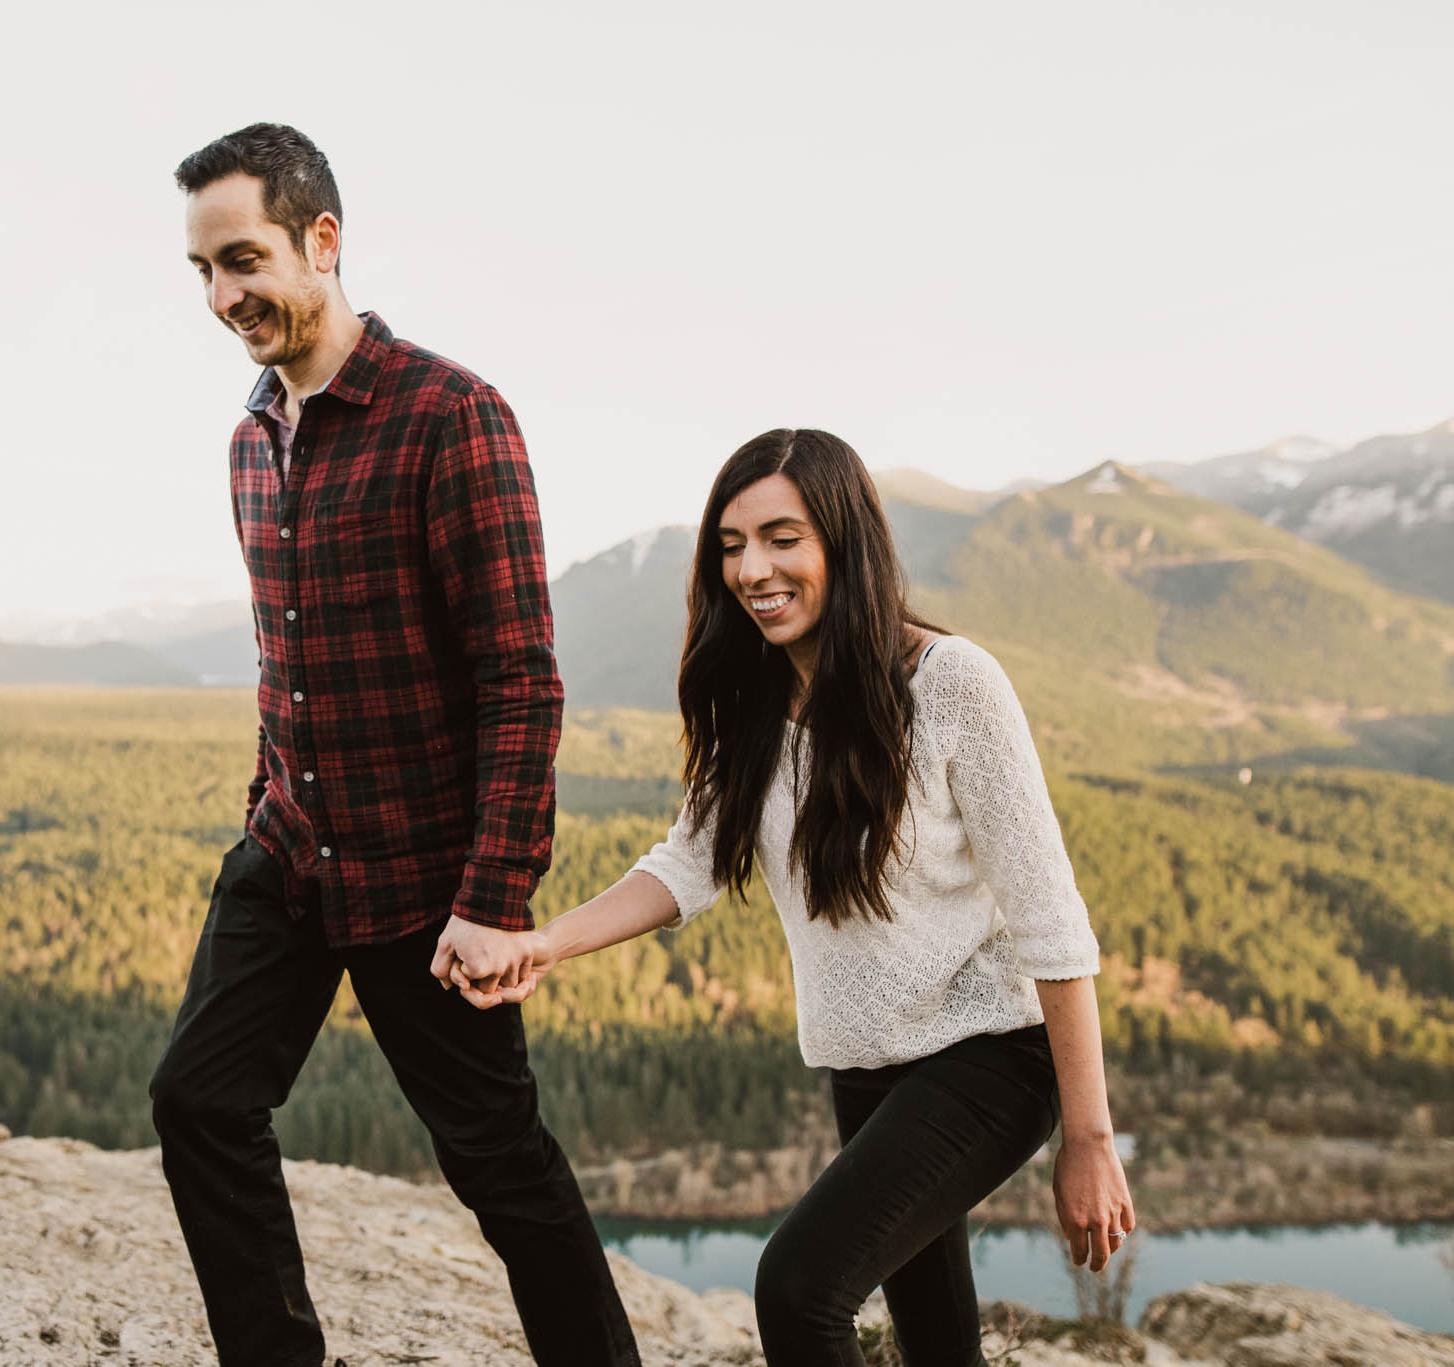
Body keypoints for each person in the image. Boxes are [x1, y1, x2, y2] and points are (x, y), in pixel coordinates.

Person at [452, 429, 1136, 1365]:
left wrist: (1091, 1136)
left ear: (843, 542)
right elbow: (686, 863)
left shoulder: (952, 683)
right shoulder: (753, 698)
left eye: (783, 537)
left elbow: (1052, 921)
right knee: (937, 1343)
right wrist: (541, 944)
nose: (752, 568)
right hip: (867, 1068)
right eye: (732, 545)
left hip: (991, 1056)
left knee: (800, 1287)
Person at [147, 122, 641, 1367]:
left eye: (244, 258)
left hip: (426, 879)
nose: (223, 295)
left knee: (497, 1165)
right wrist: (269, 798)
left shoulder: (452, 416)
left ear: (322, 240)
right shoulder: (250, 436)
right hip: (289, 851)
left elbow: (519, 680)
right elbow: (286, 652)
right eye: (202, 269)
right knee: (198, 1099)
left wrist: (491, 898)